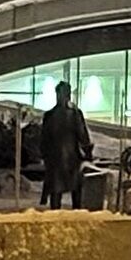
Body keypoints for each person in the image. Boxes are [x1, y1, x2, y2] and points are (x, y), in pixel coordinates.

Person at [34, 80, 91, 210]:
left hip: (55, 160)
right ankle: (74, 213)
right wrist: (87, 152)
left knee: (56, 191)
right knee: (74, 190)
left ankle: (57, 213)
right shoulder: (75, 114)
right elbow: (83, 136)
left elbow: (44, 139)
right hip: (71, 159)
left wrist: (44, 155)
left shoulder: (50, 115)